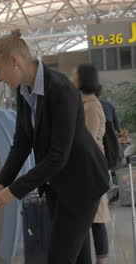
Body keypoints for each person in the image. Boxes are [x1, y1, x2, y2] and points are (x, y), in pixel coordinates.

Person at [0, 29, 109, 264]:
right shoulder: (24, 91)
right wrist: (0, 183)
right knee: (78, 257)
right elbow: (22, 143)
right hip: (59, 186)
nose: (0, 78)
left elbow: (58, 155)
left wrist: (14, 191)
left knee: (59, 257)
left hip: (82, 185)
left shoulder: (60, 89)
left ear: (14, 61)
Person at [71, 64, 110, 264]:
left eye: (74, 74)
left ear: (82, 78)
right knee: (91, 217)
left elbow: (87, 142)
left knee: (96, 218)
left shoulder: (91, 106)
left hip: (91, 168)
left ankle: (101, 261)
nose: (71, 77)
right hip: (87, 167)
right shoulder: (83, 103)